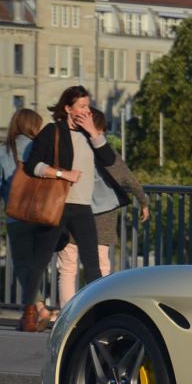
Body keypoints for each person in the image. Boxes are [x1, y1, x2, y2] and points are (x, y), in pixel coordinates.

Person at [18, 85, 114, 332]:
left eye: (88, 106)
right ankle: (29, 311)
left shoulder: (90, 135)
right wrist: (62, 173)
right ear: (68, 108)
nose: (86, 111)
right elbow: (32, 165)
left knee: (92, 263)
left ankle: (96, 316)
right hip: (57, 206)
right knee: (40, 261)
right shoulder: (53, 131)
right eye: (81, 106)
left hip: (82, 207)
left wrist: (93, 131)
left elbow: (110, 161)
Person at [56, 109, 150, 306]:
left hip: (70, 209)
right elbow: (126, 178)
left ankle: (65, 315)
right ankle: (97, 310)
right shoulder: (103, 149)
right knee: (100, 265)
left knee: (67, 266)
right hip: (102, 216)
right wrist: (142, 201)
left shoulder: (69, 148)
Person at [0, 107, 53, 324]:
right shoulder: (42, 149)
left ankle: (37, 308)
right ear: (34, 126)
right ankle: (37, 308)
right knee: (37, 264)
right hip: (43, 214)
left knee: (23, 265)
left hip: (16, 217)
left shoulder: (2, 152)